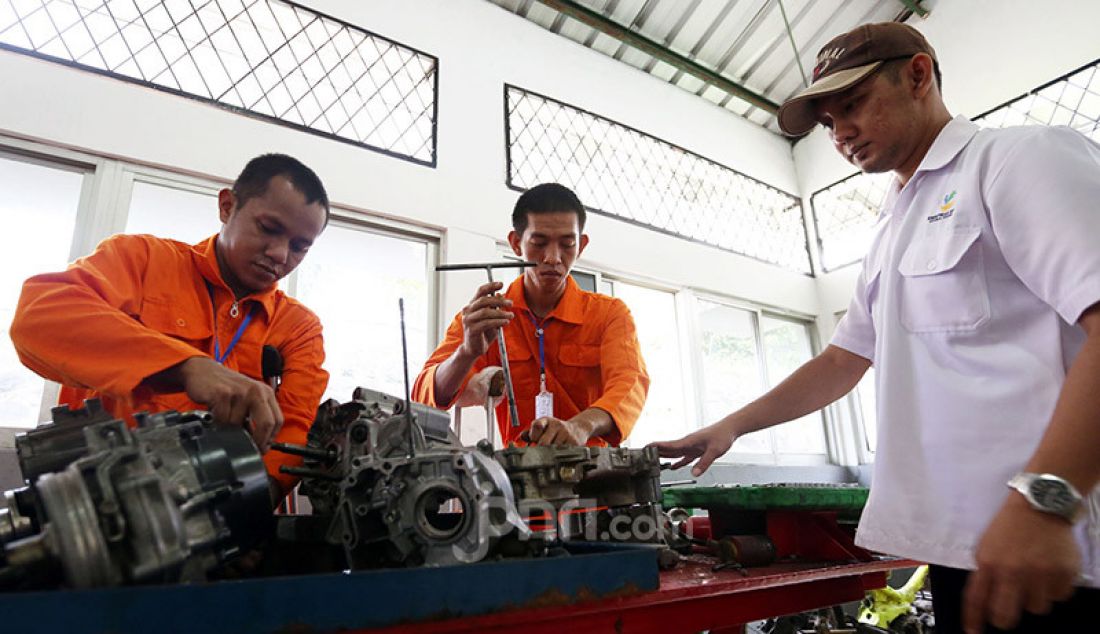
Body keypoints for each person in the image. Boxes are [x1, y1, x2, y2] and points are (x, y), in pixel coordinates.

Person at [651, 22, 1100, 634]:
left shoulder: (1017, 160)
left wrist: (1047, 501)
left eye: (853, 105)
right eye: (830, 122)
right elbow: (842, 359)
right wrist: (731, 426)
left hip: (1055, 547)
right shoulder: (894, 224)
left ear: (918, 75)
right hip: (968, 545)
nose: (840, 134)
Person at [11, 153, 331, 498]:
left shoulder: (300, 328)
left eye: (300, 247)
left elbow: (293, 431)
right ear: (227, 206)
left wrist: (252, 510)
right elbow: (39, 313)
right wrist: (183, 366)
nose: (281, 255)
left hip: (209, 522)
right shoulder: (142, 261)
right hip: (94, 500)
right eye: (269, 229)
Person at [413, 183, 649, 447]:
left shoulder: (609, 315)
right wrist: (466, 352)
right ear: (516, 243)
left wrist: (581, 426)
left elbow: (630, 385)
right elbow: (424, 397)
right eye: (539, 243)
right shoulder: (485, 318)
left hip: (595, 474)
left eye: (567, 244)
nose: (552, 258)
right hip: (520, 477)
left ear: (581, 245)